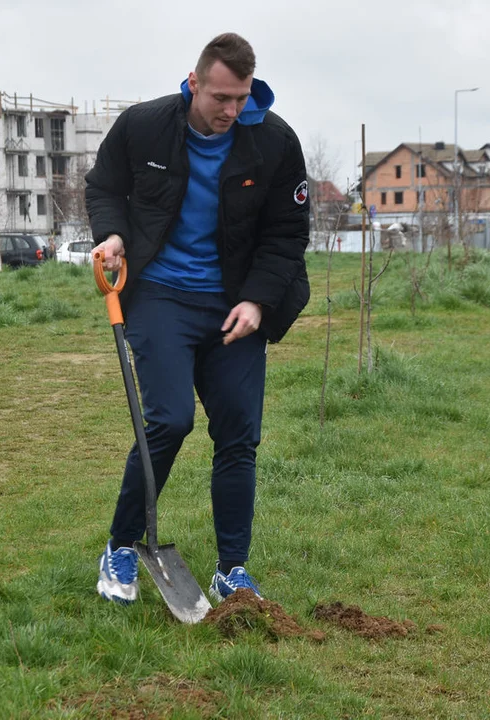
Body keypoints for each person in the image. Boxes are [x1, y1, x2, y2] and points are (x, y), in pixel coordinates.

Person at [86, 32, 310, 606]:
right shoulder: (144, 125)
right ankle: (121, 546)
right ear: (194, 84)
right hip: (161, 294)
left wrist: (258, 301)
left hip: (236, 304)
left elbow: (287, 236)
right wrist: (112, 235)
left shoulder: (275, 142)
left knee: (238, 432)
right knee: (168, 419)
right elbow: (104, 186)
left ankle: (231, 569)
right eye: (221, 99)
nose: (232, 111)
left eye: (241, 98)